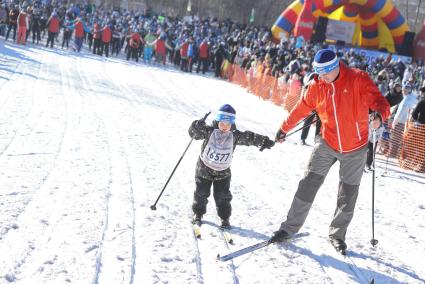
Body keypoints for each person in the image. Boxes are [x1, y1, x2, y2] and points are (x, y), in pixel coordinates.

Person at [270, 49, 390, 254]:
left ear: (335, 67)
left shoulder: (358, 79)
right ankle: (288, 229)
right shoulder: (317, 86)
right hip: (327, 143)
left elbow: (381, 103)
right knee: (308, 184)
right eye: (318, 72)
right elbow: (301, 108)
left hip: (356, 147)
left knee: (348, 194)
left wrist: (379, 116)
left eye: (324, 72)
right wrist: (284, 129)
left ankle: (337, 235)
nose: (321, 77)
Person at [189, 104, 275, 229]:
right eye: (222, 123)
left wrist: (264, 141)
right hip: (203, 170)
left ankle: (224, 218)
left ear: (232, 124)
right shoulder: (208, 131)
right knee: (201, 193)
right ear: (218, 121)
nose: (224, 127)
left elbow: (250, 137)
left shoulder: (234, 135)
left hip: (223, 173)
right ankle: (198, 214)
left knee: (223, 196)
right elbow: (194, 134)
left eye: (227, 124)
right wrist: (196, 126)